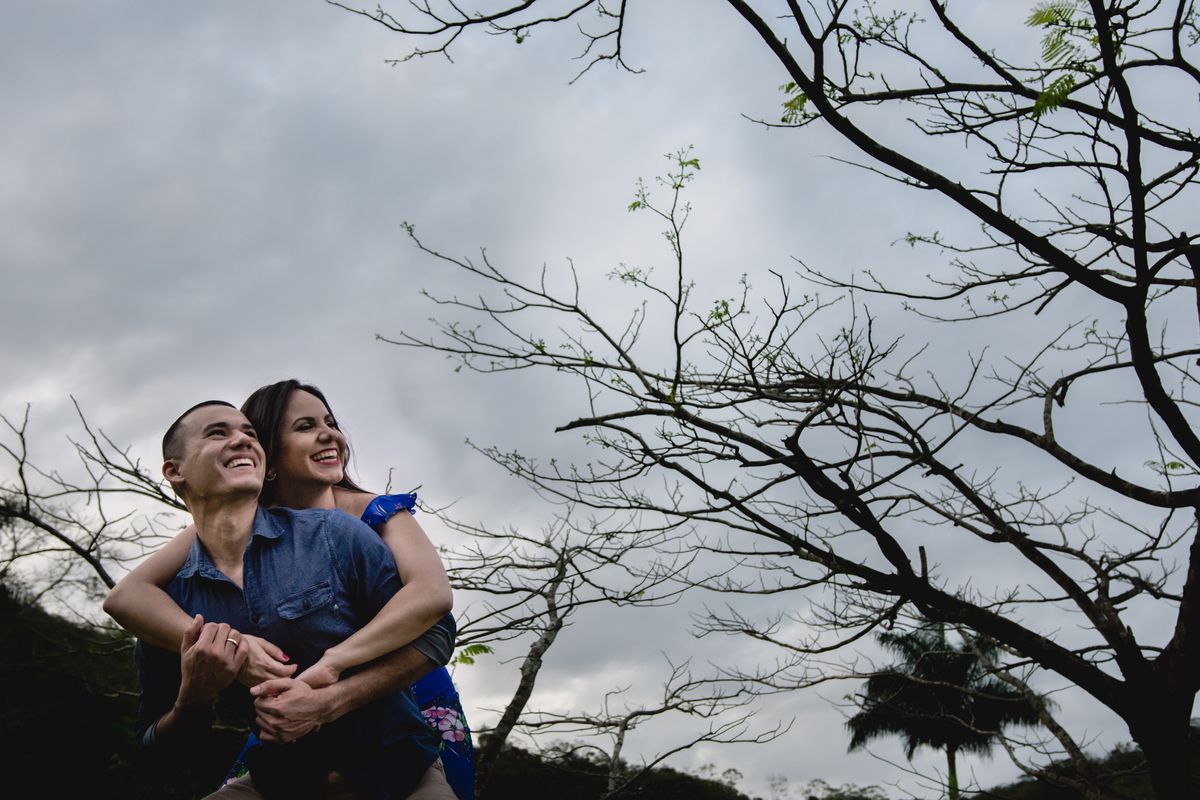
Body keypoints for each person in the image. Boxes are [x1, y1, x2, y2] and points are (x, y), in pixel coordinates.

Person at [113, 398, 459, 799]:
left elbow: (434, 614)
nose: (242, 441)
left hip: (398, 767)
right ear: (175, 471)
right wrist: (195, 696)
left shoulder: (340, 530)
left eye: (249, 435)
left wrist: (330, 690)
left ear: (263, 462)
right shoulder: (168, 604)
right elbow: (157, 747)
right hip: (280, 781)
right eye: (218, 433)